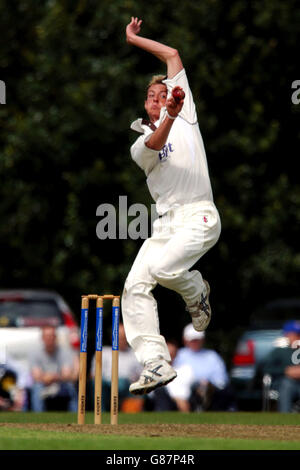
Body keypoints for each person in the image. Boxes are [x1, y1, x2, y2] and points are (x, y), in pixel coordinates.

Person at [122, 17, 221, 395]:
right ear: (146, 104)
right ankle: (156, 363)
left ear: (173, 96)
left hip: (200, 214)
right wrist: (169, 117)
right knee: (135, 286)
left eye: (164, 94)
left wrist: (136, 39)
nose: (158, 99)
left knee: (164, 269)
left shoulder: (185, 113)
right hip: (166, 224)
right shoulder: (141, 141)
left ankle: (196, 290)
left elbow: (173, 54)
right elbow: (155, 143)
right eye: (152, 96)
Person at [173, 323, 235, 411]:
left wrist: (208, 384)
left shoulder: (212, 356)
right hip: (187, 391)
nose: (195, 342)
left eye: (197, 340)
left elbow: (221, 380)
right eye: (192, 340)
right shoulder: (179, 355)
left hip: (211, 393)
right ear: (185, 340)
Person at [90, 323, 142, 411]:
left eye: (124, 337)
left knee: (138, 386)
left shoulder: (135, 354)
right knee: (97, 383)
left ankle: (131, 414)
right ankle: (100, 411)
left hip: (128, 386)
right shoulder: (104, 352)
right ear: (112, 337)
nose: (122, 340)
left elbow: (142, 375)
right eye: (120, 337)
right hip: (107, 386)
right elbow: (93, 374)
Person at [29, 326, 78, 412]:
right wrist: (47, 378)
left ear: (55, 337)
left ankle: (75, 415)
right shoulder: (35, 353)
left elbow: (66, 374)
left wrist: (53, 377)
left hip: (61, 383)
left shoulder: (65, 352)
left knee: (70, 387)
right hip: (43, 383)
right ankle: (38, 418)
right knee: (37, 388)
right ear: (42, 338)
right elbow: (36, 376)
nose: (49, 339)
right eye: (46, 336)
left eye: (51, 336)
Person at [262, 320, 300, 412]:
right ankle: (285, 416)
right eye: (295, 334)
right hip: (286, 384)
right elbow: (266, 368)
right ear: (287, 335)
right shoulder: (279, 352)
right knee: (286, 385)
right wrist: (286, 371)